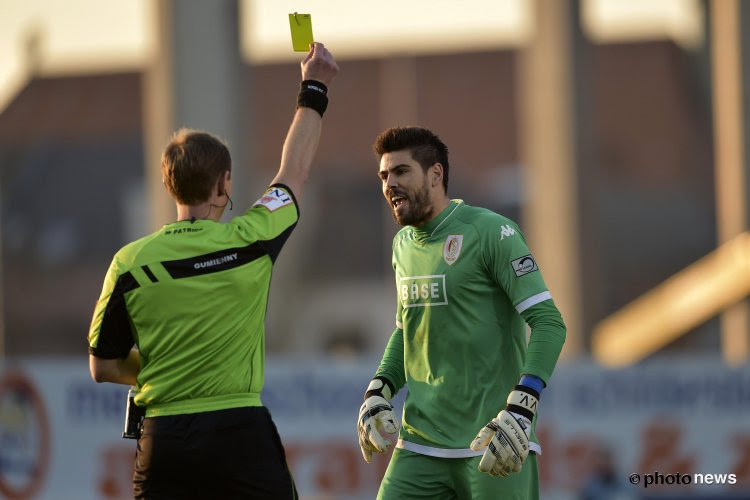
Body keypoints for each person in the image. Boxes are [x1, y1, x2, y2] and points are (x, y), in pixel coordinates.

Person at [87, 43, 338, 499]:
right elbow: (294, 171)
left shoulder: (129, 262)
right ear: (224, 183)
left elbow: (102, 366)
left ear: (169, 185)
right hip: (239, 431)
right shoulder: (252, 238)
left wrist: (167, 366)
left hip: (164, 439)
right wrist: (313, 87)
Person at [357, 127, 566, 500]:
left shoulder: (491, 232)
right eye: (384, 176)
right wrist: (379, 389)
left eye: (401, 171)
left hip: (493, 441)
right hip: (419, 445)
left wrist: (522, 406)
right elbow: (408, 332)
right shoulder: (402, 245)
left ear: (436, 174)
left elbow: (549, 323)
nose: (390, 184)